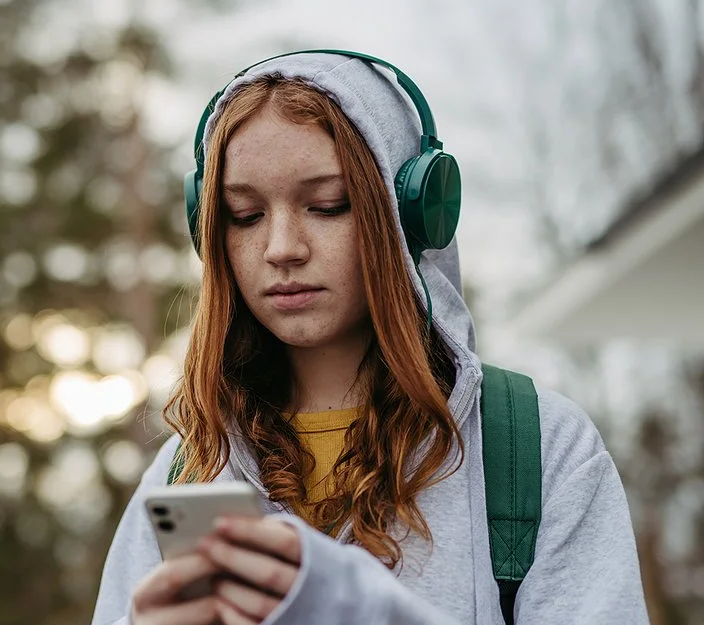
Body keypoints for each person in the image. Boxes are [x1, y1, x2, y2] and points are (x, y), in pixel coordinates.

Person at [90, 50, 648, 625]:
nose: (282, 248)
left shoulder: (536, 452)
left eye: (328, 206)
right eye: (245, 214)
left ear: (412, 215)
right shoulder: (186, 472)